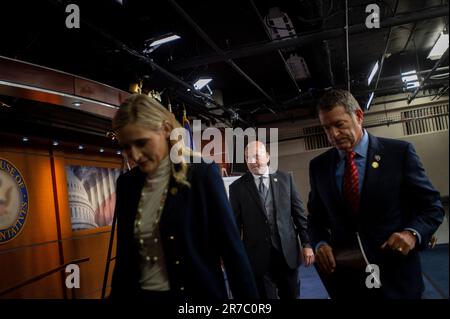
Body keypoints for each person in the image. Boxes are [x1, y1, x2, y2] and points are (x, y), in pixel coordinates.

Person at [110, 94, 259, 300]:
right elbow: (125, 259)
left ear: (166, 130)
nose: (134, 155)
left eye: (142, 143)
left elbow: (232, 252)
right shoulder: (127, 185)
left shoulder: (201, 174)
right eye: (126, 147)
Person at [307, 89, 444, 299]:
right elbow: (315, 219)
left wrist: (411, 234)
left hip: (397, 278)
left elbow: (432, 206)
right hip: (349, 281)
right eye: (326, 128)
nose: (333, 135)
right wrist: (320, 243)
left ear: (359, 116)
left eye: (339, 124)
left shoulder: (399, 153)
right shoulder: (318, 167)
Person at [229, 140, 314, 299]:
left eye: (256, 156)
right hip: (257, 258)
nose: (253, 161)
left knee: (292, 296)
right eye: (248, 158)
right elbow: (234, 226)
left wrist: (306, 243)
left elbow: (299, 215)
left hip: (287, 253)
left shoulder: (285, 179)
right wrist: (236, 256)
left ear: (267, 156)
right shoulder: (237, 188)